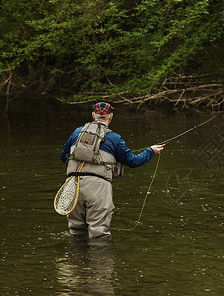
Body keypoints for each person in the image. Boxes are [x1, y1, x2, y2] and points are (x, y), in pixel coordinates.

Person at [60, 102, 164, 238]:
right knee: (99, 234)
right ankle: (100, 259)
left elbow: (64, 157)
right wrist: (150, 151)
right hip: (98, 187)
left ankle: (75, 258)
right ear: (111, 117)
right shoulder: (114, 138)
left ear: (93, 115)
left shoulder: (77, 132)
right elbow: (133, 161)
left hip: (73, 185)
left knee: (76, 232)